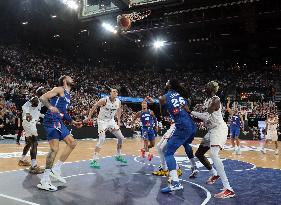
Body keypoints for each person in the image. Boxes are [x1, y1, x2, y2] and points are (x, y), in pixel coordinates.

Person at [37, 76, 82, 191]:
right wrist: (50, 107)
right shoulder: (59, 89)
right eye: (70, 78)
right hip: (51, 120)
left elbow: (63, 112)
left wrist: (73, 121)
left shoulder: (67, 95)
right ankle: (44, 181)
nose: (72, 79)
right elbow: (43, 97)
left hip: (59, 121)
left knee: (72, 143)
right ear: (64, 81)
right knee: (54, 149)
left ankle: (56, 169)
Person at [191, 81, 235, 199]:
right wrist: (192, 117)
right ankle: (215, 174)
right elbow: (204, 119)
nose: (206, 87)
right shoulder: (206, 101)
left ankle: (228, 188)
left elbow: (205, 115)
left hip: (219, 129)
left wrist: (190, 111)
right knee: (199, 154)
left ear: (213, 89)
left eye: (208, 86)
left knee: (213, 154)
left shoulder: (216, 100)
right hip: (211, 130)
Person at [160, 80, 197, 193]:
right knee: (186, 144)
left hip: (182, 126)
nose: (165, 82)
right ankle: (194, 166)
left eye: (167, 82)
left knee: (167, 152)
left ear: (169, 85)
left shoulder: (163, 98)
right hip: (192, 126)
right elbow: (187, 104)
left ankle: (176, 183)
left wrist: (160, 104)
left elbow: (163, 114)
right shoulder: (181, 94)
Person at [87, 88, 127, 169]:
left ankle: (118, 155)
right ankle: (94, 160)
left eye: (116, 92)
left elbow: (119, 110)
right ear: (110, 93)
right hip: (102, 121)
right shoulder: (104, 100)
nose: (115, 92)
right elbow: (95, 106)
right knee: (102, 139)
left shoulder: (118, 101)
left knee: (121, 137)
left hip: (111, 121)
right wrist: (89, 116)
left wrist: (118, 120)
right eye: (113, 91)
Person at [18, 94, 45, 174]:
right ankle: (34, 166)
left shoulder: (41, 104)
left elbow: (37, 113)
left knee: (29, 143)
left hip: (28, 124)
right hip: (29, 123)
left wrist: (45, 116)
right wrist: (27, 113)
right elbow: (24, 106)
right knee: (34, 143)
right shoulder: (35, 98)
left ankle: (22, 160)